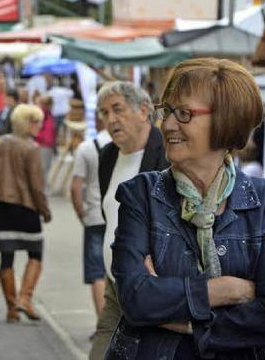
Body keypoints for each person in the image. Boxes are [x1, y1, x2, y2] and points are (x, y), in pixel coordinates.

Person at [105, 59, 265, 359]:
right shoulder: (141, 194)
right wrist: (229, 290)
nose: (167, 124)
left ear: (226, 120)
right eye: (166, 111)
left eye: (183, 113)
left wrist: (188, 321)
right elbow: (134, 298)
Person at [90, 81, 169, 360]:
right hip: (115, 279)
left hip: (150, 280)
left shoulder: (167, 152)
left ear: (144, 110)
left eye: (117, 109)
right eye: (103, 113)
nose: (110, 119)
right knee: (102, 346)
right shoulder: (108, 155)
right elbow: (107, 211)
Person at [0, 104, 52, 323]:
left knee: (7, 257)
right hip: (25, 207)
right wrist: (44, 210)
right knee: (36, 253)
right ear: (27, 123)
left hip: (0, 206)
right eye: (36, 122)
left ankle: (11, 308)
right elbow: (36, 185)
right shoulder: (31, 148)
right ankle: (25, 297)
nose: (39, 127)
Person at [70, 127, 111, 340]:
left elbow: (76, 187)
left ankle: (103, 325)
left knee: (97, 272)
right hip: (120, 217)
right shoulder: (129, 145)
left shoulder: (87, 148)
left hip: (94, 217)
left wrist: (82, 215)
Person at [35, 94, 57, 181]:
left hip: (46, 144)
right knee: (43, 170)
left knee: (44, 169)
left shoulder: (48, 114)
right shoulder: (42, 114)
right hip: (43, 144)